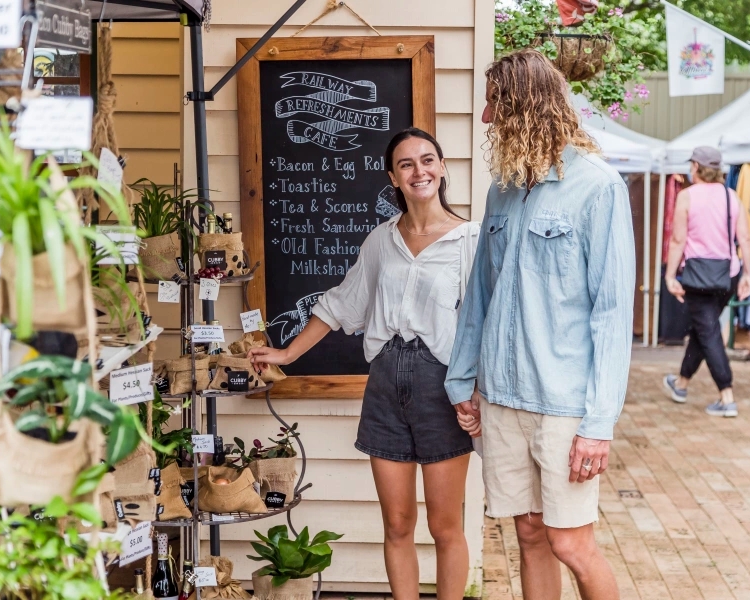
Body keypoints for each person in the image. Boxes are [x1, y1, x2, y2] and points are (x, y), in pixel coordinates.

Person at [248, 128, 479, 600]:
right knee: (396, 523)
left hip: (443, 386)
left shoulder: (469, 239)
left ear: (442, 167)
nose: (420, 171)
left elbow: (485, 322)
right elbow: (341, 304)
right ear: (392, 176)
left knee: (444, 525)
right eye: (407, 164)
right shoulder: (381, 241)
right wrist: (287, 353)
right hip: (385, 385)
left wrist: (475, 388)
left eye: (428, 160)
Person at [446, 48, 635, 600]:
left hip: (563, 405)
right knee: (528, 534)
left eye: (493, 106)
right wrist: (463, 383)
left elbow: (611, 314)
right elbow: (479, 298)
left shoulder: (598, 187)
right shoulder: (501, 191)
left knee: (571, 543)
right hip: (502, 399)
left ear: (526, 108)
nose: (486, 119)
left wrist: (598, 424)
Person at [663, 147, 750, 417]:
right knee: (706, 329)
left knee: (708, 331)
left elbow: (678, 240)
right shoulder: (731, 196)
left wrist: (669, 275)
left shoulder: (687, 196)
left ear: (695, 167)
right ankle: (681, 383)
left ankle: (727, 396)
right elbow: (744, 240)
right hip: (727, 275)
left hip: (698, 277)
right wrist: (748, 273)